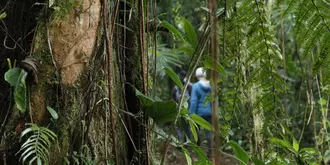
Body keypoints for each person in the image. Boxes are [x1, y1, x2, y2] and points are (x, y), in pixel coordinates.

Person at [189, 67, 212, 157]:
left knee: (196, 132)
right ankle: (210, 153)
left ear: (197, 75)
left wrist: (191, 114)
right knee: (209, 133)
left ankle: (198, 152)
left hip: (199, 113)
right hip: (210, 113)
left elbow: (194, 101)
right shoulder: (212, 86)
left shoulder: (196, 86)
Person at [171, 70, 192, 142]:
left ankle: (182, 143)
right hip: (185, 111)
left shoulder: (176, 88)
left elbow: (172, 100)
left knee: (179, 128)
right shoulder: (189, 87)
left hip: (181, 110)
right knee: (185, 127)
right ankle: (185, 142)